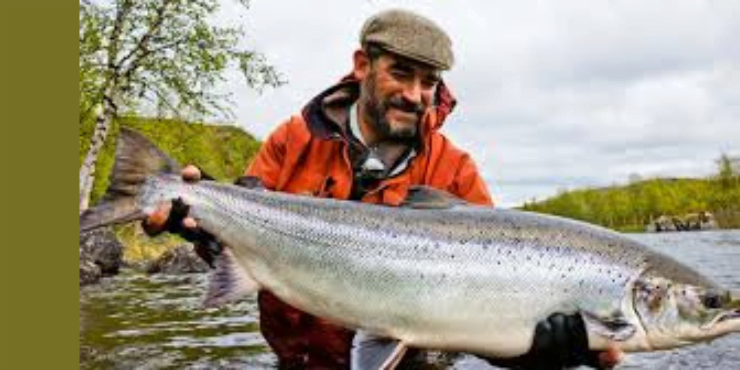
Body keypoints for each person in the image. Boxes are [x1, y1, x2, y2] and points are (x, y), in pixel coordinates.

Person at [144, 9, 622, 370]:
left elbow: (485, 311)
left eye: (429, 82)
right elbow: (247, 244)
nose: (415, 95)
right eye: (401, 73)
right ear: (362, 65)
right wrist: (199, 224)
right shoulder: (293, 140)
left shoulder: (454, 171)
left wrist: (533, 353)